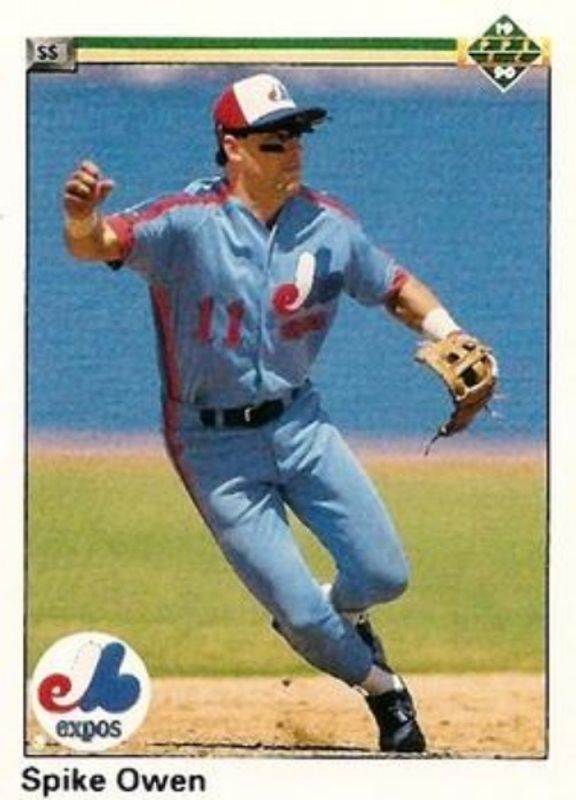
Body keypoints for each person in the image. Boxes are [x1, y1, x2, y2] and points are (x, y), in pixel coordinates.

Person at [63, 72, 478, 754]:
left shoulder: (329, 225)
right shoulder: (186, 223)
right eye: (275, 141)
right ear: (233, 148)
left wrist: (449, 331)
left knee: (385, 575)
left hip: (299, 423)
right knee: (302, 616)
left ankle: (336, 618)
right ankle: (384, 690)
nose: (293, 152)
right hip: (212, 447)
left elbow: (395, 286)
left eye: (297, 137)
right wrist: (82, 218)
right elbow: (98, 243)